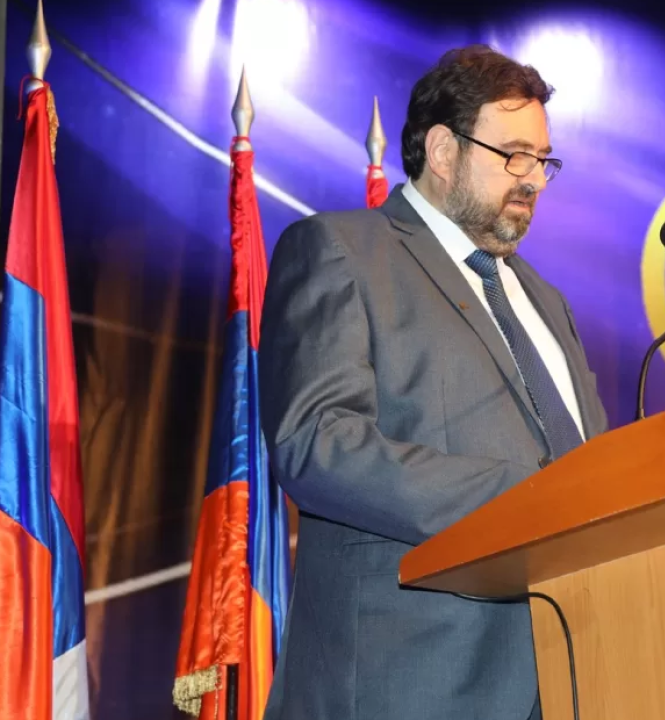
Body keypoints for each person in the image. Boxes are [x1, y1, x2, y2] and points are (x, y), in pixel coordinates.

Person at [257, 45, 609, 720]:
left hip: (570, 681)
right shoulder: (342, 252)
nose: (534, 180)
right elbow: (318, 443)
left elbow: (591, 471)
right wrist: (529, 500)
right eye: (515, 155)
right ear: (444, 150)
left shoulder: (548, 302)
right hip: (410, 683)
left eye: (543, 160)